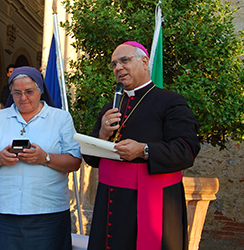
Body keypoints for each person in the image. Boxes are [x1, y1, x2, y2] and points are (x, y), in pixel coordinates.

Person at [83, 41, 200, 250]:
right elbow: (91, 159)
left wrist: (144, 150)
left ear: (144, 61)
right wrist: (102, 133)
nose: (118, 68)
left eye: (124, 61)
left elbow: (187, 150)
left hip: (153, 202)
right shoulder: (110, 107)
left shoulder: (171, 102)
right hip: (110, 199)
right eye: (114, 64)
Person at [0, 66, 82, 250]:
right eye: (17, 93)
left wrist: (45, 158)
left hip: (48, 212)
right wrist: (0, 157)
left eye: (29, 92)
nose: (23, 98)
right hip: (5, 211)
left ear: (40, 90)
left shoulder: (60, 118)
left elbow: (74, 162)